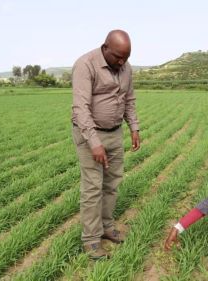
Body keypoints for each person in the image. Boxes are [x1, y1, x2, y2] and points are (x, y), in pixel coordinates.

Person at [71, 29, 140, 259]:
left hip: (114, 132)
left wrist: (134, 127)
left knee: (112, 183)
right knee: (92, 187)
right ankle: (91, 240)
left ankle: (107, 227)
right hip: (90, 133)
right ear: (105, 47)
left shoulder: (125, 67)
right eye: (118, 57)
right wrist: (94, 143)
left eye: (126, 57)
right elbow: (80, 108)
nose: (122, 62)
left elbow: (129, 99)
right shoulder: (85, 65)